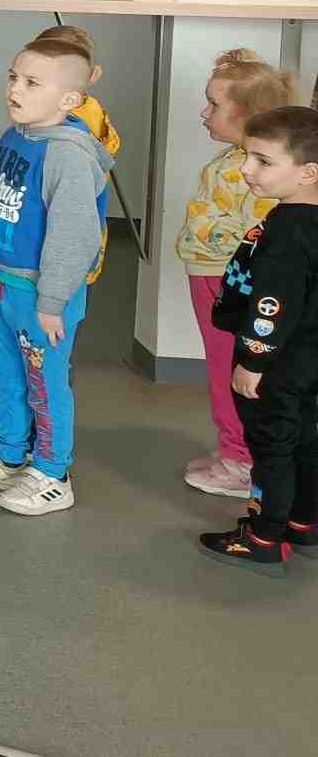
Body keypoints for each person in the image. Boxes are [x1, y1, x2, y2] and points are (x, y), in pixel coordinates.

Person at [0, 37, 111, 517]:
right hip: (7, 282)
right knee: (8, 373)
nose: (15, 89)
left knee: (45, 383)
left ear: (69, 99)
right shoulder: (18, 135)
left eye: (32, 83)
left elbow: (74, 237)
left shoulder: (69, 156)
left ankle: (53, 474)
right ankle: (10, 454)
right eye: (13, 77)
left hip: (44, 296)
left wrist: (52, 302)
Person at [198, 107, 318, 576]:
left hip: (277, 364)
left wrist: (252, 360)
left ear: (308, 173)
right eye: (248, 156)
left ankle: (264, 537)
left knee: (272, 445)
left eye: (263, 161)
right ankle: (303, 523)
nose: (247, 169)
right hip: (305, 358)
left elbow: (273, 306)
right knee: (303, 438)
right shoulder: (305, 221)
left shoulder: (288, 231)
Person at [175, 50, 296, 499]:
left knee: (229, 371)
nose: (204, 112)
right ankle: (234, 450)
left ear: (247, 115)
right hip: (210, 276)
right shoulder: (236, 160)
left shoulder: (256, 174)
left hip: (225, 282)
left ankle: (241, 461)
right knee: (220, 366)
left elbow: (261, 238)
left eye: (214, 104)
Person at [32, 24, 124, 285]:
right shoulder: (93, 109)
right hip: (85, 236)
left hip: (52, 247)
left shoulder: (55, 120)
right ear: (94, 75)